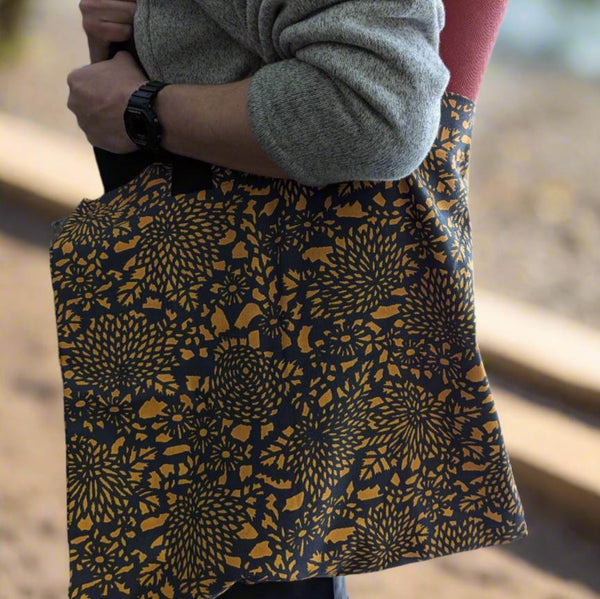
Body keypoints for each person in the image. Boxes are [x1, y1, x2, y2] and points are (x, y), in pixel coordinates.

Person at [58, 1, 527, 598]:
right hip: (242, 302)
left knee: (235, 567)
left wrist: (144, 110)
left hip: (247, 305)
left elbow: (379, 106)